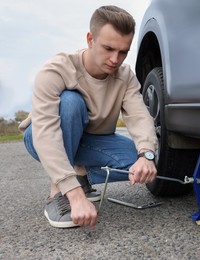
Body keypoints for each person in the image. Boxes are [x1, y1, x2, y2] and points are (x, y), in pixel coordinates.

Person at [19, 5, 158, 229]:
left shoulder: (125, 76)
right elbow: (46, 132)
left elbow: (139, 116)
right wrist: (74, 196)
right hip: (42, 136)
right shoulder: (56, 70)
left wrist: (147, 155)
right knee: (70, 102)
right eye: (108, 48)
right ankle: (58, 193)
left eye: (123, 52)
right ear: (90, 39)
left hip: (92, 141)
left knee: (142, 164)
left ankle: (80, 175)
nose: (115, 59)